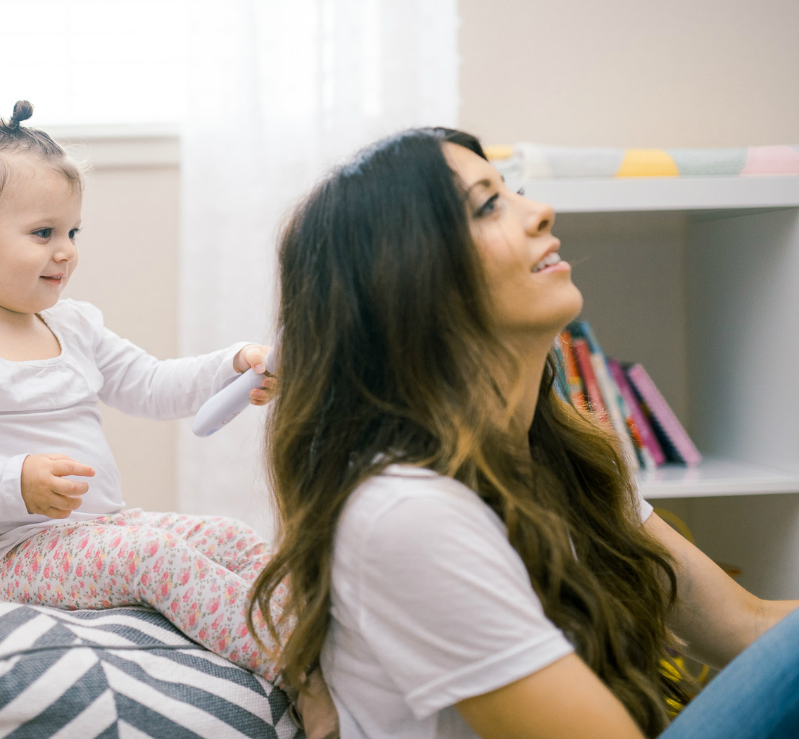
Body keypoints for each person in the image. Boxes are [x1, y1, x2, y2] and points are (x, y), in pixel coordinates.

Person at [249, 127, 799, 738]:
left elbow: (745, 626)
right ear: (411, 281)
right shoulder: (407, 513)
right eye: (489, 206)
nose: (540, 211)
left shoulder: (564, 456)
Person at [0, 100, 314, 710]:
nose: (66, 250)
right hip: (6, 557)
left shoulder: (73, 325)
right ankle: (300, 674)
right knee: (154, 556)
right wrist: (13, 482)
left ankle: (317, 636)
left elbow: (152, 386)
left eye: (71, 232)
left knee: (231, 536)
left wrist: (228, 365)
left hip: (100, 528)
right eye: (43, 233)